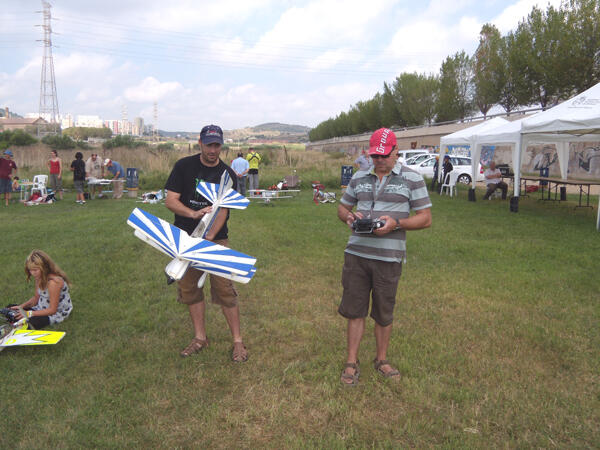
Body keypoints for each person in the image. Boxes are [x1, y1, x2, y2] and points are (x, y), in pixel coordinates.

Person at [337, 127, 432, 386]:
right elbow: (343, 207)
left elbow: (425, 218)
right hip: (356, 254)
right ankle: (351, 362)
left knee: (383, 310)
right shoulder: (359, 176)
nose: (379, 160)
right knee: (355, 310)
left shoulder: (412, 179)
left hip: (388, 258)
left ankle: (381, 359)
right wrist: (349, 217)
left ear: (396, 151)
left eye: (384, 155)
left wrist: (396, 224)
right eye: (375, 156)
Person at [164, 124, 249, 362]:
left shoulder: (227, 174)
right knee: (190, 289)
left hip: (216, 239)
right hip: (185, 239)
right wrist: (193, 214)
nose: (213, 150)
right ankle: (200, 338)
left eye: (217, 145)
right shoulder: (184, 166)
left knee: (224, 289)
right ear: (200, 143)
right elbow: (171, 200)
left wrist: (208, 238)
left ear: (221, 145)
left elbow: (223, 211)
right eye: (209, 145)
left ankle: (238, 341)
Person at [8, 250, 73, 330]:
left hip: (54, 314)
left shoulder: (54, 283)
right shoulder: (39, 277)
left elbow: (53, 310)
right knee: (10, 309)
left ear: (45, 268)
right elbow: (36, 299)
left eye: (35, 270)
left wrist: (29, 313)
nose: (32, 273)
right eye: (30, 270)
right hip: (40, 308)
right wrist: (21, 307)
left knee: (29, 323)